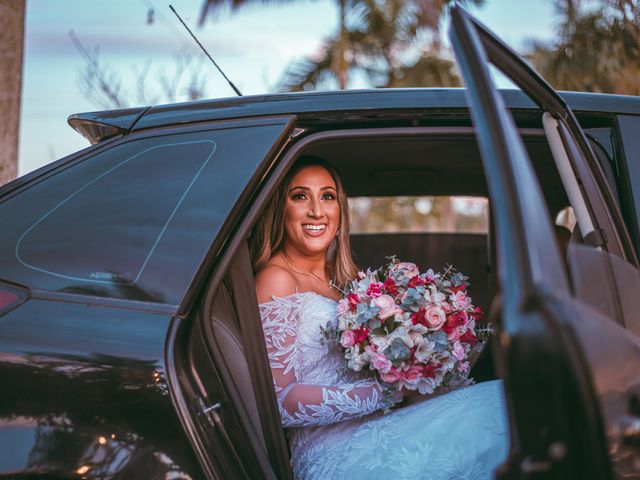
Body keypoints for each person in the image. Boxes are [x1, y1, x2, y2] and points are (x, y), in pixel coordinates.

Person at [251, 156, 509, 479]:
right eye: (300, 196)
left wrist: (421, 364)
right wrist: (385, 392)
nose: (316, 210)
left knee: (498, 403)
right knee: (496, 414)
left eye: (327, 196)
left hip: (380, 427)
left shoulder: (344, 280)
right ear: (281, 208)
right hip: (336, 453)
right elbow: (281, 401)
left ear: (340, 210)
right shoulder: (277, 279)